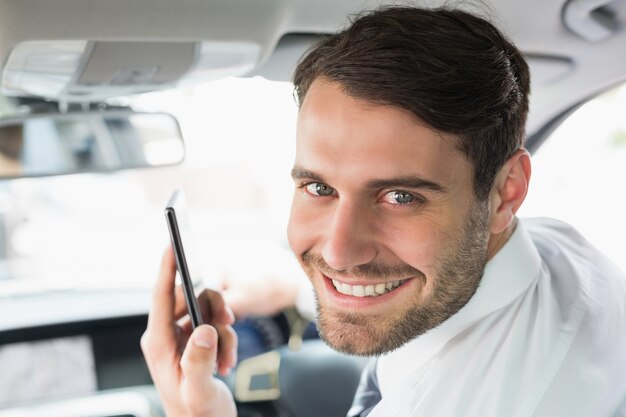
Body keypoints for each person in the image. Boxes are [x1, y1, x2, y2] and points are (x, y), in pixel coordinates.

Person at [140, 5, 626, 417]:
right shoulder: (554, 250)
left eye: (400, 197)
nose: (339, 250)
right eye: (318, 186)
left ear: (505, 193)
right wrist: (292, 291)